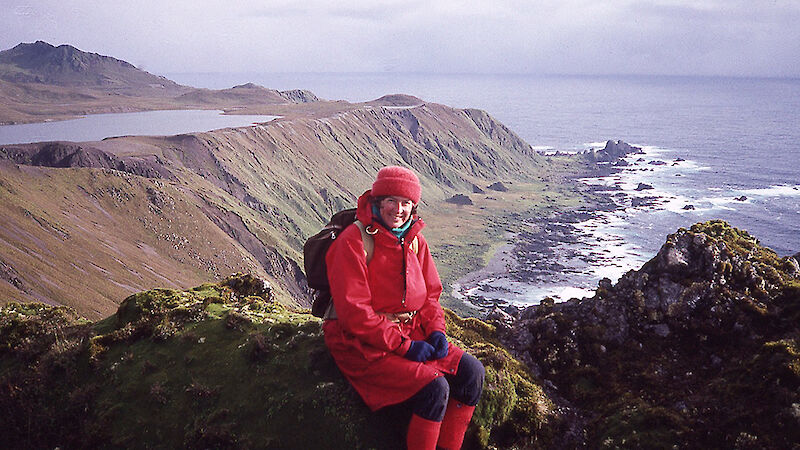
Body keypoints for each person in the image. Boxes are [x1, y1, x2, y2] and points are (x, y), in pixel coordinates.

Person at [323, 166, 485, 450]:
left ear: (414, 206)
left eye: (406, 203)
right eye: (391, 201)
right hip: (360, 343)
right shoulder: (353, 242)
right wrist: (404, 347)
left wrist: (436, 332)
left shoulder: (414, 241)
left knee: (472, 373)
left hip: (409, 332)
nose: (398, 209)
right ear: (377, 201)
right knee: (434, 387)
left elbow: (430, 297)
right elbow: (354, 314)